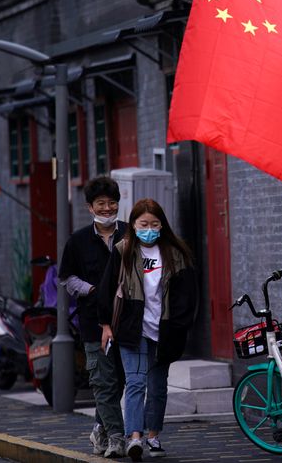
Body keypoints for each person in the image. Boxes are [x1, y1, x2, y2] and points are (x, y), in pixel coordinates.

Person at [98, 198, 198, 461]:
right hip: (132, 329)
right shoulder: (124, 250)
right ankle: (135, 437)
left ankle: (153, 435)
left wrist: (180, 327)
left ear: (162, 225)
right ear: (133, 224)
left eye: (154, 224)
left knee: (157, 387)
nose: (149, 229)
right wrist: (106, 325)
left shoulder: (176, 254)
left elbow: (188, 296)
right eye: (143, 224)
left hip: (165, 330)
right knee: (135, 382)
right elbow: (107, 289)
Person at [58, 176, 127, 458]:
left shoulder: (129, 234)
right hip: (92, 324)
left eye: (112, 203)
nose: (108, 209)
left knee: (121, 380)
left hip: (127, 322)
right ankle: (116, 437)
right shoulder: (78, 241)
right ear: (90, 207)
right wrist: (93, 291)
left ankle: (99, 427)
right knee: (102, 380)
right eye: (101, 204)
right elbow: (67, 278)